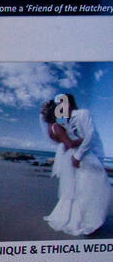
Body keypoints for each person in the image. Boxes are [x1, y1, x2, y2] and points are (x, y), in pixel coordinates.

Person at [46, 94, 110, 236]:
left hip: (85, 156)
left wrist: (78, 155)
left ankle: (92, 221)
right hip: (77, 158)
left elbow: (90, 135)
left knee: (94, 188)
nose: (59, 108)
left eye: (61, 104)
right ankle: (83, 221)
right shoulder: (65, 122)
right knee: (81, 189)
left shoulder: (82, 114)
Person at [40, 100, 79, 233]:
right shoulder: (56, 126)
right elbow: (69, 144)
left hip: (65, 157)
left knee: (69, 188)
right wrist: (84, 140)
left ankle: (66, 214)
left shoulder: (50, 127)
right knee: (72, 188)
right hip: (69, 158)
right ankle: (68, 217)